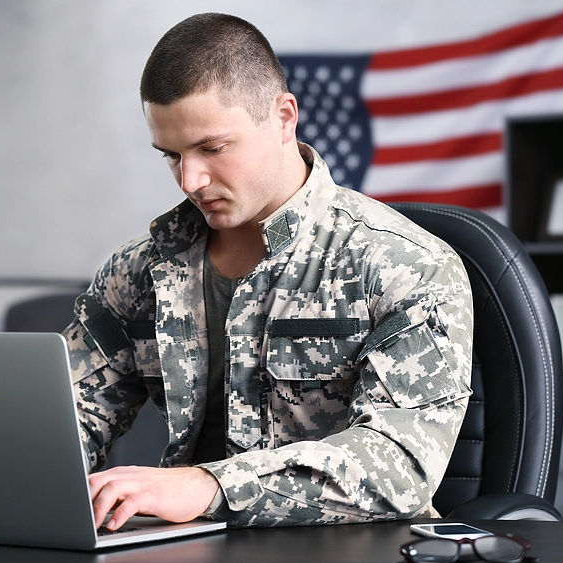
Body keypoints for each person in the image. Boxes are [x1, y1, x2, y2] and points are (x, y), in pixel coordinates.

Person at [64, 12, 473, 530]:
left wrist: (210, 485)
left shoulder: (405, 266)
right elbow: (65, 420)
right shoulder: (138, 272)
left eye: (211, 148)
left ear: (283, 117)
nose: (190, 179)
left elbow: (398, 466)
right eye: (171, 155)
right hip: (180, 559)